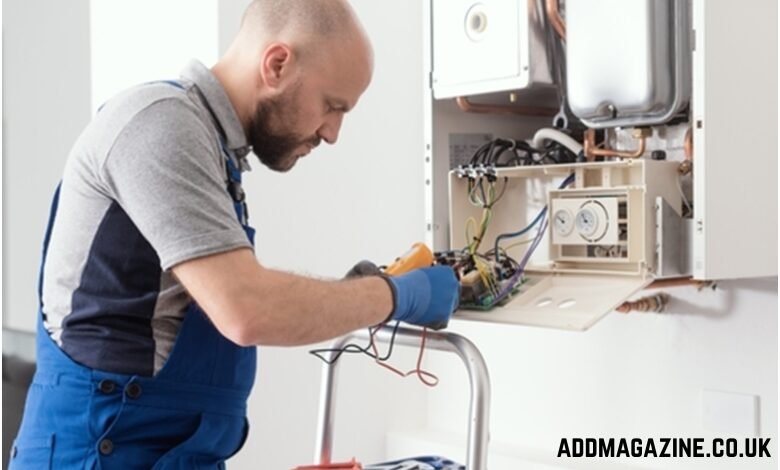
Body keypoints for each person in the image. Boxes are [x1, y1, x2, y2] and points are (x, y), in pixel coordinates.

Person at [9, 0, 459, 468]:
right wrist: (395, 295)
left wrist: (360, 294)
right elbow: (247, 308)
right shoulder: (161, 124)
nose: (333, 133)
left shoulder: (212, 152)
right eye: (332, 106)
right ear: (277, 64)